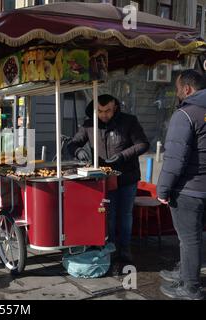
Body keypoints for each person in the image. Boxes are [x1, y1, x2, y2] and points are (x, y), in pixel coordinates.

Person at [67, 94, 149, 262]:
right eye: (100, 111)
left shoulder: (129, 121)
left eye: (108, 111)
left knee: (125, 214)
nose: (104, 115)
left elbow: (142, 144)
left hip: (127, 176)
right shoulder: (89, 124)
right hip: (104, 178)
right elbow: (72, 143)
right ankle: (110, 245)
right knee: (108, 214)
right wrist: (78, 151)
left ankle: (125, 247)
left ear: (115, 107)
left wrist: (122, 156)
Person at [157, 69, 206, 300]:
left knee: (189, 239)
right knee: (195, 237)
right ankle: (186, 275)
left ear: (187, 89)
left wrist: (163, 189)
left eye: (178, 88)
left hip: (189, 188)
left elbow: (175, 158)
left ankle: (191, 287)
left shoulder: (185, 114)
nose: (177, 93)